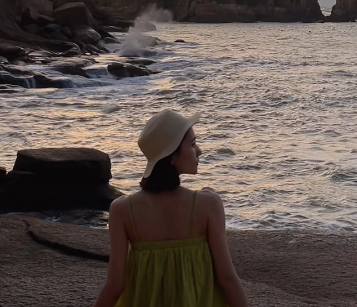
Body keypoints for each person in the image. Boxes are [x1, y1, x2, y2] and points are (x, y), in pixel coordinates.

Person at [92, 109, 249, 307]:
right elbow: (227, 279)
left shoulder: (122, 210)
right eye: (192, 144)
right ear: (172, 156)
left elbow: (115, 286)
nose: (199, 150)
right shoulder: (208, 204)